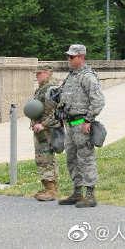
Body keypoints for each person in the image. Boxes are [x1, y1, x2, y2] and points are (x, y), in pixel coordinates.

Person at [58, 44, 105, 208]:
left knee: (86, 159)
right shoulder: (71, 76)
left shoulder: (87, 77)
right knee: (71, 159)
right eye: (68, 56)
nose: (68, 59)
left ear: (81, 57)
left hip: (82, 125)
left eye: (72, 57)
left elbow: (98, 101)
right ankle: (77, 192)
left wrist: (88, 120)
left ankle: (90, 195)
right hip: (70, 125)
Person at [30, 64, 61, 201]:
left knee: (46, 158)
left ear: (48, 72)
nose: (36, 76)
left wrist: (43, 124)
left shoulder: (52, 89)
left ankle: (51, 191)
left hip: (47, 129)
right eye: (36, 74)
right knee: (42, 157)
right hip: (41, 128)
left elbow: (57, 111)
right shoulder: (43, 88)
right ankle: (48, 187)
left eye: (39, 73)